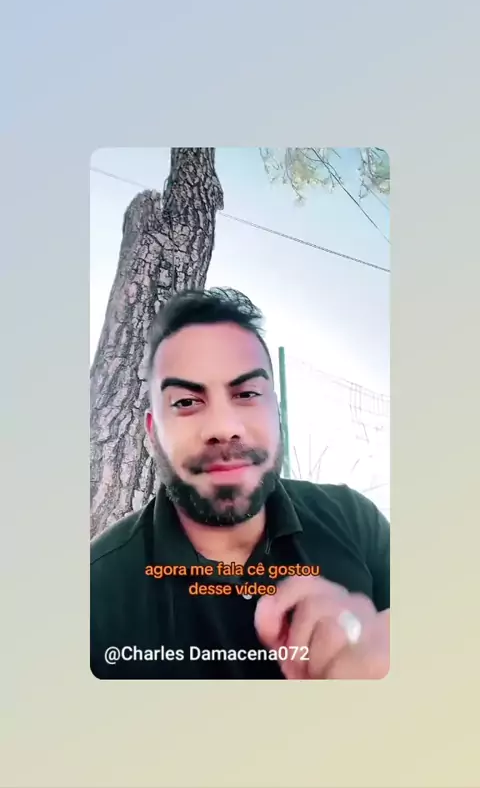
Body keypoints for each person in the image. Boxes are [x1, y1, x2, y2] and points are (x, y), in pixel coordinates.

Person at [91, 287, 390, 680]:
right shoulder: (95, 592)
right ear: (152, 432)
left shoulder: (354, 520)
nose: (223, 427)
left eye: (247, 393)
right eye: (185, 402)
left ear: (276, 413)